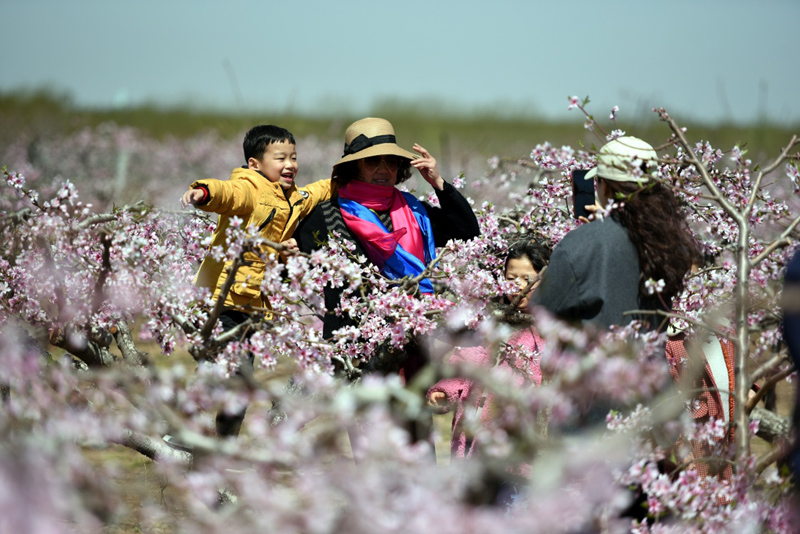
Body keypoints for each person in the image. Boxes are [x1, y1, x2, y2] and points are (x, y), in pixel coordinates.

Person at [181, 124, 335, 436]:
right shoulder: (249, 187)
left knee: (242, 383)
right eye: (280, 158)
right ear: (255, 164)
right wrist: (203, 192)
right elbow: (227, 194)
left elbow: (318, 191)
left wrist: (344, 182)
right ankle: (188, 424)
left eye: (293, 157)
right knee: (234, 374)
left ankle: (222, 444)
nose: (290, 164)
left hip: (252, 305)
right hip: (223, 300)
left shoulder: (293, 197)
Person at [294, 117, 480, 368]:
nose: (383, 169)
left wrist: (438, 183)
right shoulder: (325, 216)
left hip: (410, 343)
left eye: (391, 161)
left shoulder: (415, 211)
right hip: (353, 349)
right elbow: (294, 268)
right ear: (354, 167)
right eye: (372, 161)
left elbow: (467, 232)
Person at [534, 136, 700, 331]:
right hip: (650, 359)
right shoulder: (670, 243)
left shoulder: (579, 244)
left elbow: (543, 313)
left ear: (605, 186)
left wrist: (595, 232)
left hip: (597, 358)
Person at [426, 239, 550, 461]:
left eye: (527, 279)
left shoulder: (549, 329)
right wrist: (444, 391)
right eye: (511, 279)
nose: (518, 286)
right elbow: (465, 361)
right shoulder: (491, 320)